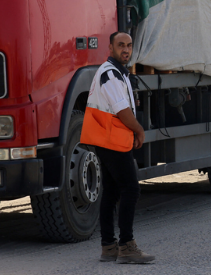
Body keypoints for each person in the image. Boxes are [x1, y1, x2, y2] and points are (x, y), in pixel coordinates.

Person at [81, 31, 154, 264]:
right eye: (121, 45)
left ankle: (109, 247)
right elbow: (122, 111)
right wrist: (139, 130)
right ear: (110, 49)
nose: (126, 50)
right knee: (131, 189)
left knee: (111, 192)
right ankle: (126, 246)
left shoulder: (115, 72)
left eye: (129, 45)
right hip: (112, 141)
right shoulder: (110, 74)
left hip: (108, 139)